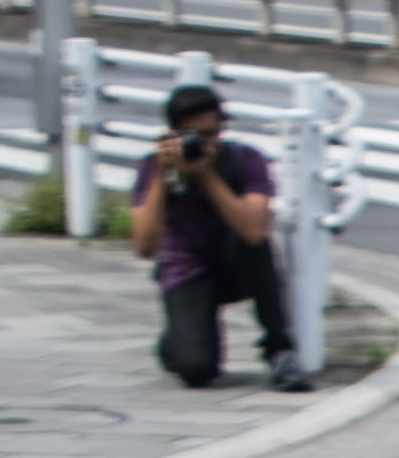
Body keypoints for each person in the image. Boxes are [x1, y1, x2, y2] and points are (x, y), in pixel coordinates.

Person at [128, 83, 306, 392]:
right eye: (194, 134)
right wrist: (162, 176)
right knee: (197, 370)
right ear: (173, 133)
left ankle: (280, 349)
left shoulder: (245, 160)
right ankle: (176, 340)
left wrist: (206, 175)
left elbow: (253, 229)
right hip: (186, 270)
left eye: (212, 133)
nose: (205, 142)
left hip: (235, 262)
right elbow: (144, 247)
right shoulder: (155, 168)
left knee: (257, 242)